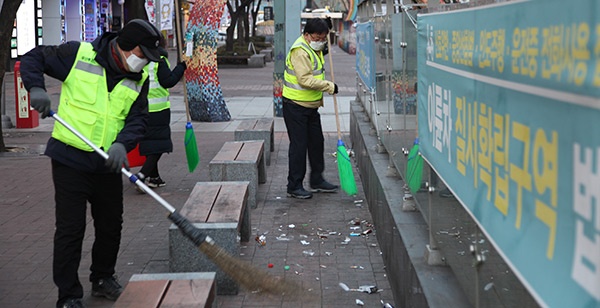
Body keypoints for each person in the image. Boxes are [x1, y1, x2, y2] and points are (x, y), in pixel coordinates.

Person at [20, 19, 162, 308]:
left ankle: (102, 277)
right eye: (142, 54)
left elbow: (138, 118)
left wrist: (123, 143)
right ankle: (68, 295)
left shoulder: (140, 78)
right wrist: (35, 88)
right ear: (125, 48)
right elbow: (33, 57)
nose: (145, 62)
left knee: (111, 225)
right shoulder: (78, 54)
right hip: (70, 157)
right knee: (71, 229)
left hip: (107, 162)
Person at [282, 18, 339, 199]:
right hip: (295, 106)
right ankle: (294, 185)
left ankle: (317, 179)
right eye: (318, 37)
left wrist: (326, 27)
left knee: (317, 143)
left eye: (323, 37)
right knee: (299, 146)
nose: (321, 41)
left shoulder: (314, 46)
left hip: (311, 107)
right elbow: (304, 80)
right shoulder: (300, 51)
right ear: (307, 35)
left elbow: (322, 48)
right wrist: (329, 86)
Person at [136, 35, 187, 189]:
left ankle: (154, 177)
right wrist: (181, 67)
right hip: (158, 111)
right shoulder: (158, 61)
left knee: (149, 144)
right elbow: (168, 81)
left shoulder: (138, 61)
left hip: (140, 109)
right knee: (160, 145)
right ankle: (141, 175)